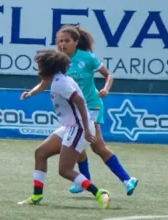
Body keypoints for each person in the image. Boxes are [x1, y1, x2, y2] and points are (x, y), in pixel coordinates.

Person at [23, 25, 138, 196]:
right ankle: (84, 181)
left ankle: (127, 179)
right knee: (77, 145)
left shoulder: (87, 58)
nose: (62, 44)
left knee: (97, 147)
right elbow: (45, 82)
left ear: (76, 42)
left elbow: (109, 75)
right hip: (76, 111)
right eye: (60, 41)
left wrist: (106, 89)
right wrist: (31, 93)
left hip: (91, 106)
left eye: (66, 41)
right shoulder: (58, 60)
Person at [18, 49, 110, 208]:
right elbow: (42, 84)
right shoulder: (56, 78)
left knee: (65, 170)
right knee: (41, 153)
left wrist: (87, 130)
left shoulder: (61, 83)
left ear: (47, 67)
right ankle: (36, 196)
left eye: (40, 65)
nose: (38, 68)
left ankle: (99, 192)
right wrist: (30, 93)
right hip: (71, 127)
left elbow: (80, 101)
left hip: (79, 128)